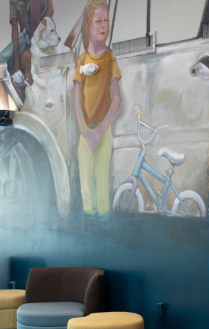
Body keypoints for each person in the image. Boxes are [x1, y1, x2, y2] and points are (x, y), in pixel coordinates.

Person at [73, 0, 122, 215]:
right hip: (85, 134)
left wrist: (100, 132)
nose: (103, 25)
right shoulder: (81, 60)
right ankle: (88, 235)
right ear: (87, 26)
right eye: (98, 21)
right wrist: (86, 132)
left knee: (102, 189)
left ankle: (103, 232)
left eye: (106, 21)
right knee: (86, 188)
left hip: (103, 132)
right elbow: (77, 100)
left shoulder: (110, 57)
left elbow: (117, 99)